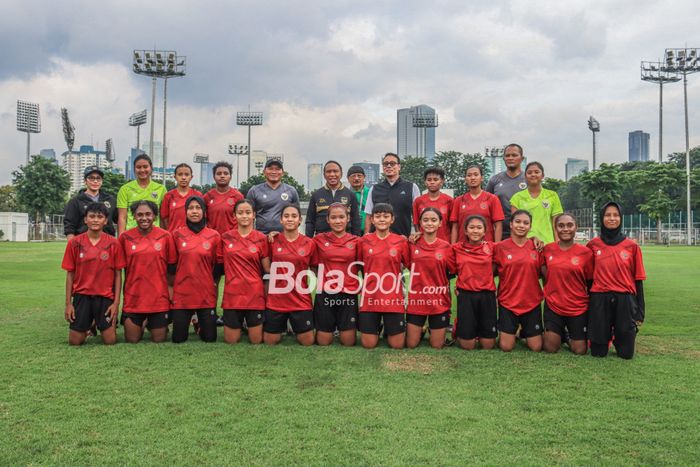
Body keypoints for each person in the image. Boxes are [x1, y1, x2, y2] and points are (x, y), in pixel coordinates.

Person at [587, 202, 646, 359]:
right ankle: (604, 334)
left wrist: (640, 311)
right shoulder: (592, 245)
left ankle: (621, 334)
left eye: (615, 215)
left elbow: (638, 280)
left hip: (625, 299)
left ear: (621, 218)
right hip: (600, 298)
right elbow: (588, 279)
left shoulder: (632, 246)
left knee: (626, 355)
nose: (611, 218)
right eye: (607, 215)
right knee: (598, 353)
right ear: (601, 218)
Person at [61, 202, 125, 345]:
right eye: (92, 216)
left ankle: (96, 322)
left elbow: (117, 274)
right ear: (85, 219)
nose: (95, 220)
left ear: (106, 221)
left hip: (104, 297)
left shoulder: (114, 243)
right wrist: (68, 304)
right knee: (75, 341)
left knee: (110, 340)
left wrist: (116, 303)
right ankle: (88, 323)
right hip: (82, 296)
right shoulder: (75, 243)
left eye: (100, 217)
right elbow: (70, 274)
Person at [119, 200, 176, 343]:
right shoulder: (125, 238)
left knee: (159, 340)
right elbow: (119, 270)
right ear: (134, 216)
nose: (144, 218)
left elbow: (171, 270)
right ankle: (143, 322)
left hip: (158, 299)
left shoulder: (165, 236)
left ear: (155, 216)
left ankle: (154, 322)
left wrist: (170, 295)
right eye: (139, 215)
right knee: (132, 340)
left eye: (148, 214)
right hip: (134, 299)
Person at [358, 203, 410, 349]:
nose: (382, 219)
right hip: (370, 296)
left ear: (392, 219)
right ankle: (378, 327)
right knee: (369, 345)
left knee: (397, 345)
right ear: (372, 220)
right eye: (378, 216)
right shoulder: (363, 241)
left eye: (386, 216)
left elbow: (407, 264)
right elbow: (358, 265)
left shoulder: (401, 241)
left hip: (392, 297)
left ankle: (390, 328)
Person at [541, 213, 594, 355]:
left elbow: (590, 281)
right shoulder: (547, 249)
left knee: (580, 350)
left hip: (577, 307)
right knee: (550, 348)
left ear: (576, 227)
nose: (565, 229)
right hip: (554, 305)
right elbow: (543, 270)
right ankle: (558, 334)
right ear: (555, 228)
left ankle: (568, 335)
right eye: (561, 225)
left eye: (569, 225)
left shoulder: (586, 253)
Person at [170, 196, 221, 343]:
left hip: (205, 293)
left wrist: (211, 283)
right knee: (178, 339)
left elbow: (217, 265)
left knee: (210, 338)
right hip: (183, 294)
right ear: (185, 212)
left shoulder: (214, 235)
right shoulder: (177, 235)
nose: (194, 211)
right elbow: (172, 265)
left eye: (198, 208)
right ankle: (190, 320)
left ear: (204, 212)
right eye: (190, 208)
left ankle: (199, 324)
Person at [219, 199, 270, 345]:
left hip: (254, 294)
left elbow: (267, 269)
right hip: (232, 295)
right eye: (240, 213)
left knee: (256, 341)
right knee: (231, 340)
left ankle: (250, 324)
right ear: (234, 216)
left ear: (254, 215)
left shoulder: (261, 239)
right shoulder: (225, 238)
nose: (244, 216)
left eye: (248, 212)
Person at [265, 204, 316, 346]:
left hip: (301, 300)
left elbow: (314, 269)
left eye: (294, 216)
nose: (290, 219)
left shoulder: (309, 243)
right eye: (286, 216)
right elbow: (267, 267)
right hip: (276, 301)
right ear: (280, 220)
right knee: (270, 342)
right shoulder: (271, 241)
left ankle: (293, 326)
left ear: (300, 220)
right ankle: (285, 326)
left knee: (307, 342)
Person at [493, 210, 544, 352]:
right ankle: (513, 332)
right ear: (510, 224)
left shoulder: (537, 247)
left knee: (536, 347)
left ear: (530, 226)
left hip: (531, 302)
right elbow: (490, 273)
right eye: (518, 222)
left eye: (526, 223)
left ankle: (523, 332)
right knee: (506, 347)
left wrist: (534, 238)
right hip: (508, 302)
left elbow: (541, 273)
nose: (521, 225)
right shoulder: (499, 247)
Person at [311, 203, 361, 346]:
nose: (338, 221)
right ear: (328, 220)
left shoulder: (357, 241)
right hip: (325, 293)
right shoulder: (318, 240)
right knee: (323, 342)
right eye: (333, 217)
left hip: (348, 293)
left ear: (348, 218)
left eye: (341, 217)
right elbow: (311, 263)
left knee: (348, 342)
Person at [406, 207, 455, 349]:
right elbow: (408, 265)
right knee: (411, 344)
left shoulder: (446, 247)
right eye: (425, 220)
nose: (429, 223)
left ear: (440, 223)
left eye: (434, 220)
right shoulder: (412, 244)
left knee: (437, 346)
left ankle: (433, 330)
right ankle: (421, 330)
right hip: (417, 300)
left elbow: (451, 271)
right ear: (420, 223)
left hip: (438, 301)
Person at [452, 215, 498, 350]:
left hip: (487, 295)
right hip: (466, 295)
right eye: (471, 227)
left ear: (485, 231)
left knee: (488, 346)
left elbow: (513, 244)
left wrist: (532, 238)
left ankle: (479, 329)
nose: (475, 231)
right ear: (466, 231)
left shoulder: (493, 247)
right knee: (468, 346)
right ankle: (459, 327)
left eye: (479, 228)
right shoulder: (456, 248)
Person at [364, 153, 420, 237]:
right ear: (383, 167)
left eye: (392, 163)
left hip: (402, 238)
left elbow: (416, 214)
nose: (389, 166)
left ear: (399, 167)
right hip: (377, 239)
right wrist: (366, 235)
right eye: (386, 164)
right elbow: (368, 215)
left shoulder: (412, 187)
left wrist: (417, 233)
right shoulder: (374, 189)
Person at [509, 161, 563, 244]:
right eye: (529, 173)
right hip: (525, 245)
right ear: (525, 176)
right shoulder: (517, 198)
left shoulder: (552, 196)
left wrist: (557, 246)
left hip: (548, 244)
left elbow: (556, 225)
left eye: (537, 172)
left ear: (542, 176)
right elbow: (515, 227)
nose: (533, 174)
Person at [306, 160, 361, 237]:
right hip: (321, 241)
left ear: (341, 174)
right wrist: (308, 241)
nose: (332, 174)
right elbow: (310, 221)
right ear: (324, 175)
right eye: (328, 172)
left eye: (335, 171)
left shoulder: (350, 195)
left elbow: (356, 221)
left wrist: (356, 241)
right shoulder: (316, 195)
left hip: (345, 242)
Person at [450, 165, 504, 244]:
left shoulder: (492, 199)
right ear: (465, 179)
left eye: (476, 175)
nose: (472, 178)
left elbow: (498, 225)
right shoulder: (458, 200)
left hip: (486, 248)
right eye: (469, 175)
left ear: (481, 178)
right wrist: (453, 246)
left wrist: (496, 246)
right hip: (463, 248)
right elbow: (455, 227)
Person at [116, 154, 167, 235]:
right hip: (131, 236)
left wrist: (163, 236)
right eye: (138, 167)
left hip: (154, 236)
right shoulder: (125, 189)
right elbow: (122, 217)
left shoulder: (161, 189)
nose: (142, 170)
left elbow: (162, 217)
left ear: (151, 168)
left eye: (145, 166)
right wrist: (121, 239)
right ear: (134, 169)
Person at [63, 165, 118, 239]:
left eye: (98, 178)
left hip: (107, 243)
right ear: (85, 181)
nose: (95, 181)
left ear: (102, 181)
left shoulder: (110, 200)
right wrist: (73, 246)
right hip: (84, 244)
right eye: (91, 178)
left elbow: (120, 220)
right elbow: (69, 227)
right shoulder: (75, 201)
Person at [246, 159, 299, 234]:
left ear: (283, 173)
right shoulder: (254, 191)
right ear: (264, 172)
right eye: (270, 169)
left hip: (285, 237)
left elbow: (297, 216)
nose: (274, 172)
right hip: (261, 236)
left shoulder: (291, 191)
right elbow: (248, 217)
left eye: (277, 169)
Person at [485, 143, 527, 238]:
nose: (510, 158)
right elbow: (487, 206)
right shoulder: (494, 180)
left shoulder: (529, 180)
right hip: (500, 233)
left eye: (514, 155)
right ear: (503, 158)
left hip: (525, 233)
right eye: (507, 156)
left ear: (522, 158)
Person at [412, 168, 453, 242]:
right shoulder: (418, 201)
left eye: (435, 179)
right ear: (425, 182)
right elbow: (416, 222)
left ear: (442, 181)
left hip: (444, 242)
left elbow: (453, 225)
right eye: (429, 180)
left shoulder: (449, 200)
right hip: (424, 243)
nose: (432, 182)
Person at [203, 161, 244, 235]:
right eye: (219, 173)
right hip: (212, 239)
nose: (222, 176)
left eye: (226, 173)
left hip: (232, 239)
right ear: (214, 176)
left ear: (230, 176)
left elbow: (243, 219)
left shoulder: (238, 196)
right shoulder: (207, 197)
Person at [160, 163, 202, 232]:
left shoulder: (197, 195)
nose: (183, 177)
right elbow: (164, 219)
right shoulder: (168, 196)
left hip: (192, 238)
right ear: (175, 177)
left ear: (191, 177)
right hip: (173, 237)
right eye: (180, 174)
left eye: (186, 174)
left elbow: (202, 218)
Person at [347, 165, 370, 234]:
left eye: (359, 176)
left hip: (367, 232)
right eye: (353, 176)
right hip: (349, 231)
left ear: (364, 177)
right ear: (348, 178)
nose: (356, 178)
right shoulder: (345, 194)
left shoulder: (371, 193)